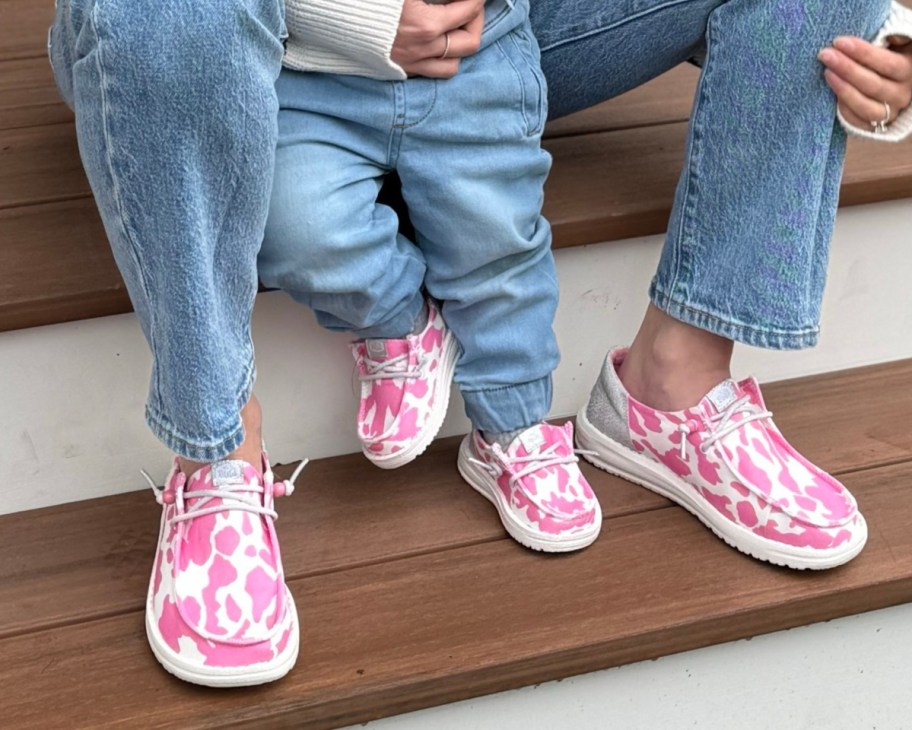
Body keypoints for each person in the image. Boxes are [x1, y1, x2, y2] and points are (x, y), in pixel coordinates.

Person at [48, 0, 912, 688]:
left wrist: (885, 39)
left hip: (489, 32)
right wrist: (352, 16)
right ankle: (218, 444)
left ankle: (672, 381)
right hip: (238, 33)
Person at [257, 0, 601, 561]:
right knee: (292, 227)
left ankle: (511, 424)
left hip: (475, 51)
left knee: (497, 245)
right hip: (309, 72)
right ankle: (399, 324)